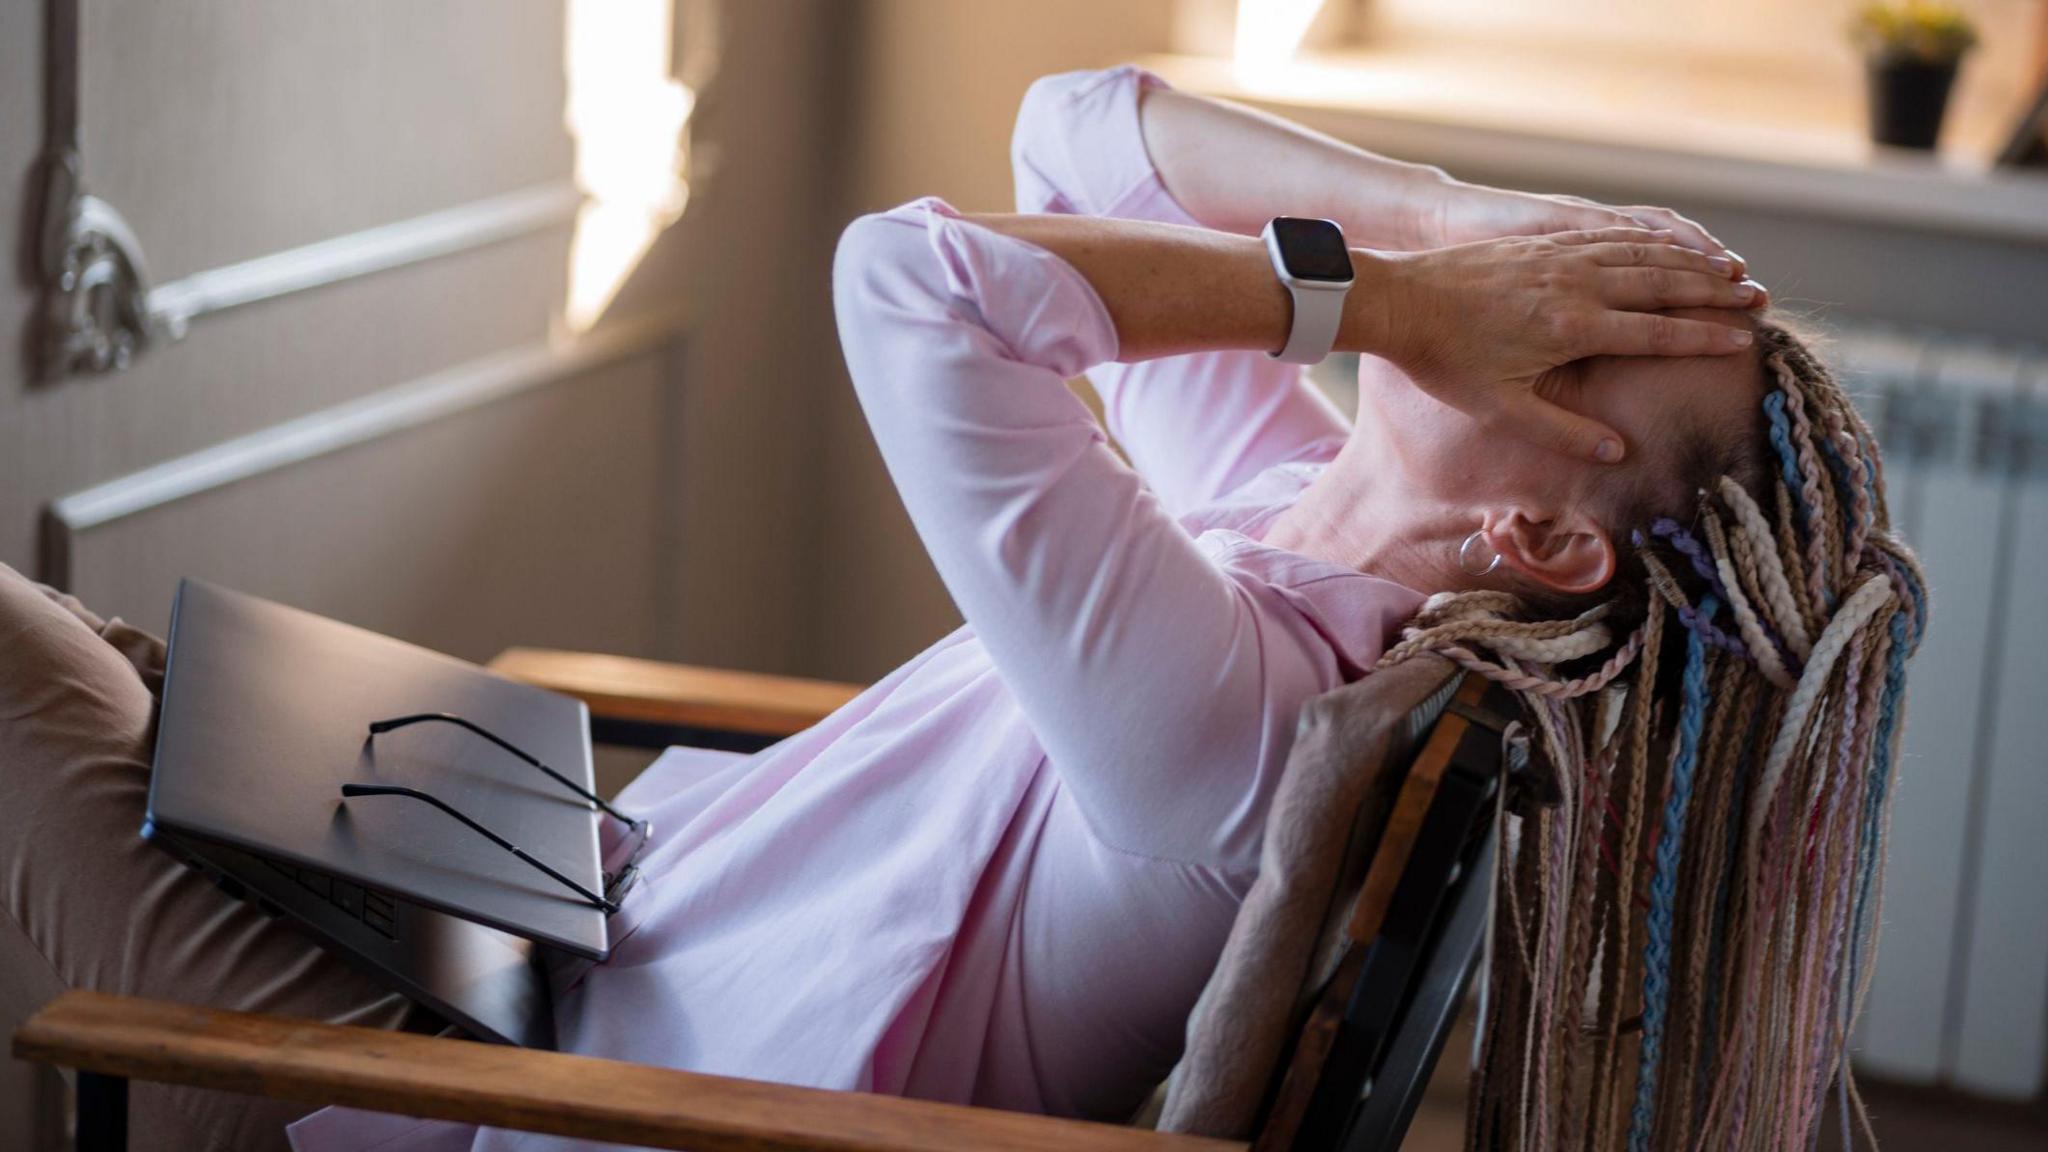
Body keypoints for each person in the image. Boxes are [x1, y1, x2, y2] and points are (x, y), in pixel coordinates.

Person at [2, 66, 1916, 1152]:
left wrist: (1399, 300)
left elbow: (913, 285)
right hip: (542, 908)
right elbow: (1069, 135)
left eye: (1583, 343)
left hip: (475, 1083)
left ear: (1541, 544)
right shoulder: (1278, 510)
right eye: (1572, 275)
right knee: (95, 665)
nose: (1538, 296)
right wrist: (1439, 214)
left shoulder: (1237, 744)